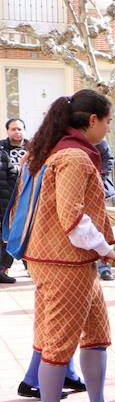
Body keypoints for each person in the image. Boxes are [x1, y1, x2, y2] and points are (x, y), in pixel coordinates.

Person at [11, 90, 115, 402]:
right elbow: (72, 216)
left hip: (63, 260)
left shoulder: (55, 150)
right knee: (57, 343)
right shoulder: (73, 156)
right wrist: (106, 248)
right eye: (107, 121)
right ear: (92, 120)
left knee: (96, 335)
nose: (108, 128)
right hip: (64, 261)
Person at [0, 117, 28, 283]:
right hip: (8, 196)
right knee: (7, 232)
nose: (17, 132)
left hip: (28, 194)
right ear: (8, 131)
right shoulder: (2, 148)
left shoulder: (33, 146)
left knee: (28, 230)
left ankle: (31, 265)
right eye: (13, 129)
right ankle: (4, 268)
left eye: (20, 129)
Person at [95, 137, 115, 281]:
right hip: (75, 188)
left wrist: (98, 181)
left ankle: (104, 267)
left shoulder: (98, 138)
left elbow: (107, 160)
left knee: (101, 228)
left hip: (98, 190)